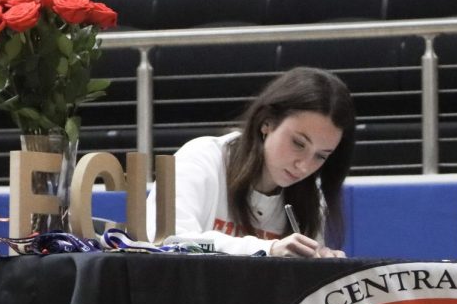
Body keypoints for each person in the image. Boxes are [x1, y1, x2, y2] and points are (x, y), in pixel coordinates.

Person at [147, 67, 355, 256]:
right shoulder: (201, 158)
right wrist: (267, 249)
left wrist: (322, 268)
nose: (304, 166)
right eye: (298, 143)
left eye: (321, 156)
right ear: (266, 123)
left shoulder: (312, 199)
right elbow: (166, 241)